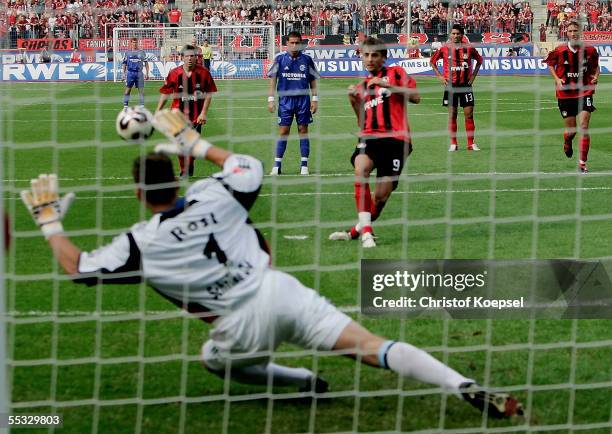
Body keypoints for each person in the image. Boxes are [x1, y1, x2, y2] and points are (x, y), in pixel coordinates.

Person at [19, 108, 524, 420]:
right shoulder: (214, 193)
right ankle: (460, 384)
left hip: (239, 326)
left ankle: (300, 381)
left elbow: (79, 268)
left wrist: (48, 221)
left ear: (136, 193)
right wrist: (196, 143)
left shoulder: (139, 242)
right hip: (281, 290)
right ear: (176, 177)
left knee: (214, 361)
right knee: (375, 346)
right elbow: (245, 165)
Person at [328, 37, 420, 248]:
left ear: (383, 58)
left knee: (380, 197)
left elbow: (416, 97)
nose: (369, 59)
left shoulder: (396, 73)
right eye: (366, 55)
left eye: (374, 55)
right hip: (370, 137)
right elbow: (362, 121)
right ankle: (367, 233)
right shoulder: (362, 86)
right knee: (361, 168)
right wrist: (353, 102)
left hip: (397, 140)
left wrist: (388, 85)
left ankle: (355, 231)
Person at [544, 21, 599, 173]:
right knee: (572, 131)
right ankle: (567, 142)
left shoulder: (590, 50)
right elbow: (550, 64)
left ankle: (582, 163)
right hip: (565, 94)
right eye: (570, 31)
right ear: (566, 33)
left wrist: (596, 77)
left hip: (584, 91)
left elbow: (596, 66)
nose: (573, 33)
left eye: (576, 30)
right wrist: (557, 79)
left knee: (584, 127)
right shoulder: (560, 51)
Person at [156, 44, 217, 177]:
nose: (190, 58)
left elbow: (209, 93)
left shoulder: (204, 73)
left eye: (192, 56)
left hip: (196, 116)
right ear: (181, 57)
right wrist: (158, 111)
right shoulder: (174, 73)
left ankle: (189, 165)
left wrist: (203, 113)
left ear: (196, 58)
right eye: (187, 56)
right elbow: (165, 93)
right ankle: (185, 170)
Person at [268, 31, 319, 176]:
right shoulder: (279, 59)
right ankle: (277, 166)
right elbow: (273, 79)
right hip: (285, 101)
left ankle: (304, 166)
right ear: (287, 44)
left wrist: (315, 99)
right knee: (283, 132)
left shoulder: (307, 60)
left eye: (297, 43)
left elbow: (313, 80)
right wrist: (270, 99)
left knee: (303, 131)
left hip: (303, 100)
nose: (295, 45)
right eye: (292, 42)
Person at [430, 24, 483, 152]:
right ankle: (453, 143)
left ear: (462, 35)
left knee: (469, 115)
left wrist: (473, 77)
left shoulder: (469, 48)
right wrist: (440, 77)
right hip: (451, 87)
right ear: (450, 35)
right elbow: (432, 61)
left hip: (466, 86)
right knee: (452, 115)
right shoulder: (444, 49)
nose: (455, 36)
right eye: (453, 33)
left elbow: (480, 60)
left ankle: (471, 144)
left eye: (458, 33)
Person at [122, 38, 149, 110]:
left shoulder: (142, 52)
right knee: (128, 89)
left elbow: (146, 63)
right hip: (130, 73)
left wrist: (147, 73)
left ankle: (142, 105)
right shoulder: (127, 53)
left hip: (139, 73)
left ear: (138, 43)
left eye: (136, 42)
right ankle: (125, 105)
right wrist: (123, 74)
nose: (135, 44)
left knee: (141, 90)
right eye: (133, 42)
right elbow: (124, 64)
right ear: (131, 43)